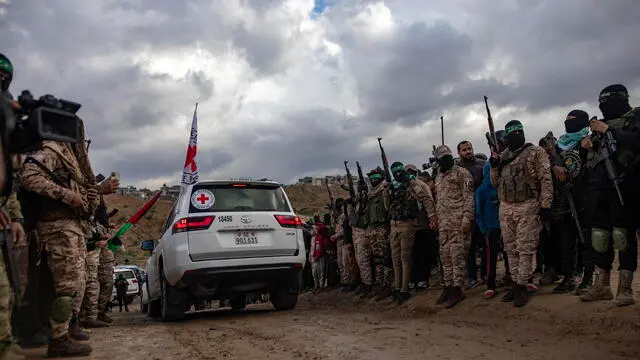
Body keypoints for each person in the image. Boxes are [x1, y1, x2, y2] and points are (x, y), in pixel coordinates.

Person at [20, 138, 94, 356]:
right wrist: (68, 196)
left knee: (76, 283)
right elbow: (30, 176)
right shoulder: (51, 150)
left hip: (71, 226)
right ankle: (59, 340)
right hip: (57, 226)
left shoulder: (67, 155)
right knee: (67, 286)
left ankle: (65, 333)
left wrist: (85, 197)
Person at [580, 84, 640, 306]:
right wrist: (585, 145)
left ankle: (625, 289)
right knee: (599, 236)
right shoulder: (598, 126)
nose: (603, 107)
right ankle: (601, 286)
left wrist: (608, 131)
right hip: (598, 188)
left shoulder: (635, 117)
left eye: (607, 102)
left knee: (622, 236)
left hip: (625, 186)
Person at [490, 120, 553, 307]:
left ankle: (522, 284)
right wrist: (494, 166)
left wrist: (546, 205)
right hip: (506, 207)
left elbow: (545, 179)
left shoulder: (535, 152)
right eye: (512, 133)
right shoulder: (503, 156)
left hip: (528, 205)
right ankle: (516, 282)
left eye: (519, 132)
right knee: (510, 248)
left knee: (525, 248)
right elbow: (495, 183)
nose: (516, 136)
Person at [387, 161, 437, 304]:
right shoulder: (395, 186)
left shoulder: (414, 184)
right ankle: (398, 287)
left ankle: (404, 289)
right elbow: (388, 206)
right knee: (396, 258)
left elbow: (426, 200)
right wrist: (387, 190)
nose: (399, 175)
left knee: (405, 258)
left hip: (409, 224)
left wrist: (432, 217)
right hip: (395, 224)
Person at [433, 145, 474, 308]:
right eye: (442, 158)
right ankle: (448, 286)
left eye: (447, 156)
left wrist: (467, 219)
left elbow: (469, 198)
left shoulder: (462, 173)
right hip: (444, 224)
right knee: (445, 256)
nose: (446, 160)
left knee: (457, 256)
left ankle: (458, 289)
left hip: (458, 222)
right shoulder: (438, 176)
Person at [476, 131, 506, 299]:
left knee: (511, 252)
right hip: (491, 227)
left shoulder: (502, 188)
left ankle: (513, 277)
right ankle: (490, 283)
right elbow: (478, 213)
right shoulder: (482, 191)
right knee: (491, 256)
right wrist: (484, 229)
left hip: (507, 223)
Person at [456, 141, 487, 288]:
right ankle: (472, 277)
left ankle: (486, 275)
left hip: (483, 211)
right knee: (469, 247)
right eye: (464, 150)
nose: (467, 152)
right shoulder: (457, 170)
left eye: (469, 149)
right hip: (466, 214)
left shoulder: (482, 166)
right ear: (459, 153)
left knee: (486, 244)